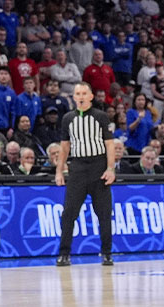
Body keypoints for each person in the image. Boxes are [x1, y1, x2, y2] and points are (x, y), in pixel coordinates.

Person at [54, 83, 115, 267]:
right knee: (69, 214)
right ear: (73, 97)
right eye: (77, 93)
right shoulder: (68, 118)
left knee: (104, 213)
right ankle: (64, 253)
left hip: (98, 166)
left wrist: (110, 168)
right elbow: (64, 146)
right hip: (78, 168)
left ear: (91, 96)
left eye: (83, 93)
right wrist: (59, 170)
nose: (80, 96)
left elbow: (110, 144)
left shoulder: (101, 117)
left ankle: (106, 253)